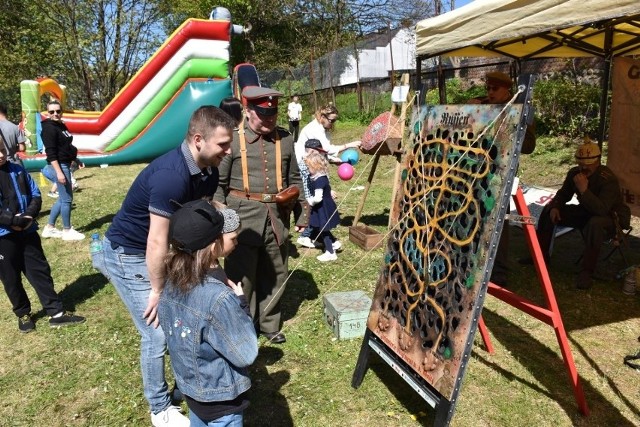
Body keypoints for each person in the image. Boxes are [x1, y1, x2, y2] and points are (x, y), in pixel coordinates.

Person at [101, 106, 235, 427]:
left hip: (160, 250)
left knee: (183, 317)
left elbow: (199, 224)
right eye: (223, 145)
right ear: (198, 139)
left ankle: (182, 386)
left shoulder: (208, 171)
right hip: (129, 253)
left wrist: (217, 270)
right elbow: (156, 242)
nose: (228, 152)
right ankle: (159, 407)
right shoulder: (170, 176)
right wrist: (158, 291)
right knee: (157, 332)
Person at [215, 86, 303, 345]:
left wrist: (302, 214)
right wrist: (224, 221)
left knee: (275, 272)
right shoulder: (231, 139)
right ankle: (244, 324)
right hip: (240, 218)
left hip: (276, 217)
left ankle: (270, 324)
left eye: (273, 115)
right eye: (263, 115)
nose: (269, 120)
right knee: (243, 277)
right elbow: (217, 185)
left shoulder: (285, 139)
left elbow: (295, 179)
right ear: (247, 110)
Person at [159, 199, 258, 427]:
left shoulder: (170, 284)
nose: (236, 241)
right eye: (232, 238)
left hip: (192, 392)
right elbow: (246, 353)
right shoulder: (219, 298)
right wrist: (240, 304)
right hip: (222, 401)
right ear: (214, 247)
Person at [0, 142, 85, 332]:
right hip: (4, 237)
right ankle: (23, 313)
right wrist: (13, 221)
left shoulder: (18, 170)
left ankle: (56, 313)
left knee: (39, 271)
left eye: (2, 150)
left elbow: (35, 194)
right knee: (11, 277)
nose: (0, 154)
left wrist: (29, 216)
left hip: (28, 230)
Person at [469, 71, 537, 286]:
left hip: (501, 174)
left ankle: (499, 271)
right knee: (475, 219)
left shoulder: (520, 108)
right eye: (488, 89)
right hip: (478, 171)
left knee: (498, 223)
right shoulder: (486, 105)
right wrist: (471, 108)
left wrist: (513, 122)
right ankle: (474, 264)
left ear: (507, 90)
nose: (489, 93)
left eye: (494, 89)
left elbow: (529, 146)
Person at [534, 141, 630, 290]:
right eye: (581, 164)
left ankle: (587, 271)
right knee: (548, 210)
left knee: (595, 223)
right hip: (587, 211)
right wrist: (555, 206)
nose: (584, 168)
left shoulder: (607, 179)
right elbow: (563, 194)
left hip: (613, 217)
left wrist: (584, 191)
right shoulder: (574, 173)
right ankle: (540, 257)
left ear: (598, 162)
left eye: (588, 164)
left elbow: (602, 209)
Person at [294, 104, 360, 248]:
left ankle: (313, 235)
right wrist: (350, 145)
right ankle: (307, 236)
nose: (332, 123)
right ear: (322, 117)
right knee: (316, 199)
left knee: (320, 200)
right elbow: (326, 149)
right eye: (331, 120)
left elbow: (323, 152)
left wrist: (335, 160)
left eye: (335, 120)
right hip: (306, 165)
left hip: (314, 162)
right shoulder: (314, 129)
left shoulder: (322, 128)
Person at [40, 100, 85, 241]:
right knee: (67, 199)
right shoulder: (49, 128)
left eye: (58, 111)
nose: (55, 114)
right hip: (58, 166)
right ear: (48, 113)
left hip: (65, 163)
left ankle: (49, 228)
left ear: (61, 111)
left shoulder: (61, 126)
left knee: (63, 198)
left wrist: (76, 159)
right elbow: (51, 153)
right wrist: (59, 172)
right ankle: (67, 230)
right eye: (52, 112)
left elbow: (66, 146)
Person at [305, 149, 341, 262]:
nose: (307, 169)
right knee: (322, 228)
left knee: (323, 230)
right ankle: (334, 243)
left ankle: (330, 252)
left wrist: (309, 201)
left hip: (322, 208)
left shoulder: (319, 180)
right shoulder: (322, 176)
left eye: (309, 167)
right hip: (325, 206)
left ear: (315, 166)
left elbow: (318, 197)